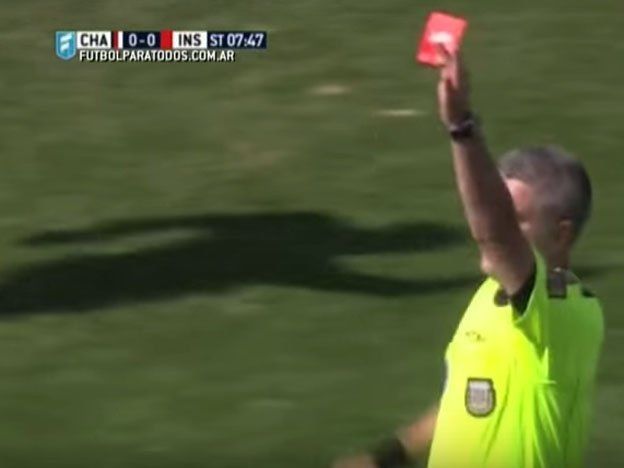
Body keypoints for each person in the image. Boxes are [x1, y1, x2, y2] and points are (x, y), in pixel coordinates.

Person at [333, 48, 604, 468]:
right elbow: (464, 399)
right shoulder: (489, 299)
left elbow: (495, 238)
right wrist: (386, 457)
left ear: (561, 234)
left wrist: (461, 126)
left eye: (515, 219)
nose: (492, 230)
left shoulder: (564, 311)